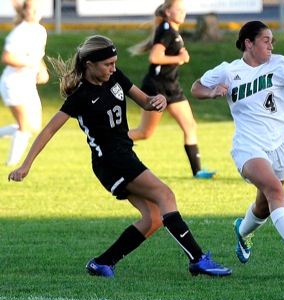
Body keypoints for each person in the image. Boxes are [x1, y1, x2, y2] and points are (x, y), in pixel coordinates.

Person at [7, 35, 232, 278]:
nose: (113, 68)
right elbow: (49, 130)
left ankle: (102, 263)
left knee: (154, 217)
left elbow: (145, 102)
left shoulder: (115, 78)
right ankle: (197, 259)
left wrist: (159, 101)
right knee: (165, 194)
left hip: (124, 155)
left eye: (114, 62)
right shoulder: (81, 96)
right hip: (111, 161)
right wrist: (25, 165)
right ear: (90, 64)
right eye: (108, 64)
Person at [191, 21, 284, 268]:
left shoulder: (280, 65)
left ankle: (242, 231)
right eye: (266, 40)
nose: (271, 45)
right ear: (249, 43)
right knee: (276, 191)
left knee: (263, 206)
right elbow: (196, 87)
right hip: (248, 147)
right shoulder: (228, 71)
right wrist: (211, 93)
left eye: (273, 41)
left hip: (278, 147)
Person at [127, 0, 217, 179]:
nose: (183, 13)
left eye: (184, 10)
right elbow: (154, 58)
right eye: (179, 10)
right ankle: (108, 140)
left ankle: (197, 172)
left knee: (190, 126)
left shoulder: (173, 31)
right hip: (156, 88)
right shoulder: (166, 31)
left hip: (172, 88)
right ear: (168, 12)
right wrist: (179, 58)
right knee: (145, 133)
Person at [0, 0, 49, 166]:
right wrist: (29, 64)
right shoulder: (19, 32)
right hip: (13, 83)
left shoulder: (41, 31)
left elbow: (37, 55)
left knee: (34, 126)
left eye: (38, 9)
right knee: (25, 126)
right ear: (25, 11)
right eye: (32, 9)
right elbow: (7, 57)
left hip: (28, 84)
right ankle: (11, 165)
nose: (35, 12)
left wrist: (42, 70)